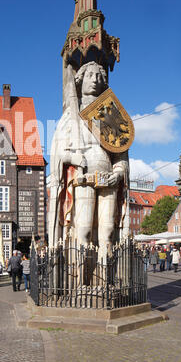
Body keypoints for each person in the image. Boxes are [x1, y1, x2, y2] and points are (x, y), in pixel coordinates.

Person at [48, 62, 130, 260]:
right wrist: (74, 158)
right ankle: (80, 284)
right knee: (83, 232)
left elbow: (120, 154)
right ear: (80, 81)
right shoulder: (70, 116)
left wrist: (118, 174)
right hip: (83, 179)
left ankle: (105, 282)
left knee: (108, 233)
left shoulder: (110, 114)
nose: (95, 80)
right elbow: (58, 154)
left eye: (99, 76)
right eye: (90, 76)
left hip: (108, 178)